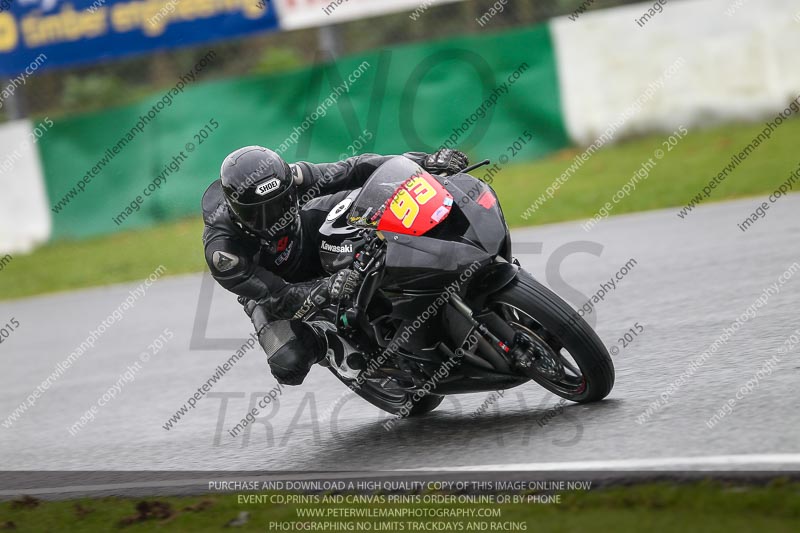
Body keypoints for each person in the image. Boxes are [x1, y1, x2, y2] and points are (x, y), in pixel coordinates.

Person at [202, 146, 469, 385]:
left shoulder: (293, 178)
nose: (275, 218)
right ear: (234, 209)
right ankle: (327, 343)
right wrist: (325, 288)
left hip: (309, 234)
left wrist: (423, 161)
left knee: (374, 204)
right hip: (271, 290)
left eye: (281, 203)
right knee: (288, 362)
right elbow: (276, 296)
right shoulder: (223, 253)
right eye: (258, 212)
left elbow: (354, 169)